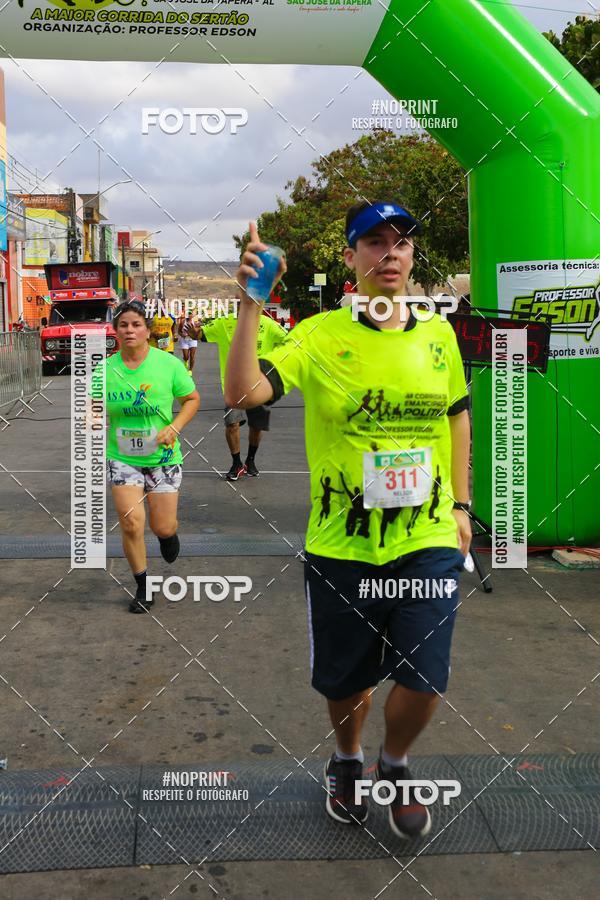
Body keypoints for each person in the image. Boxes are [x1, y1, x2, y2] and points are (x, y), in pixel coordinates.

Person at [225, 203, 471, 839]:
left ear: (412, 256)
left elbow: (457, 416)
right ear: (350, 257)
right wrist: (252, 303)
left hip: (427, 539)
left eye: (401, 243)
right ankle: (348, 758)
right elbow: (243, 394)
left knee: (426, 676)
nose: (390, 253)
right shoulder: (318, 334)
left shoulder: (438, 333)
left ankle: (396, 762)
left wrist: (462, 505)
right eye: (374, 242)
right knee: (347, 678)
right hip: (343, 545)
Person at [93, 299, 200, 613]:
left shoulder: (167, 364)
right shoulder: (105, 369)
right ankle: (143, 586)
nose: (129, 330)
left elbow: (192, 399)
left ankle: (168, 535)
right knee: (130, 523)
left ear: (147, 330)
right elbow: (94, 406)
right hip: (122, 456)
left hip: (163, 457)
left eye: (136, 324)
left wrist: (175, 427)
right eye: (123, 325)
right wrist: (92, 417)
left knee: (162, 526)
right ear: (115, 331)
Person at [200, 310, 287, 480]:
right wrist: (191, 329)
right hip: (234, 386)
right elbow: (201, 334)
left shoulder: (268, 324)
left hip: (259, 385)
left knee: (257, 426)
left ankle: (250, 460)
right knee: (232, 424)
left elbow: (290, 340)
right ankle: (236, 463)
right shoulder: (225, 322)